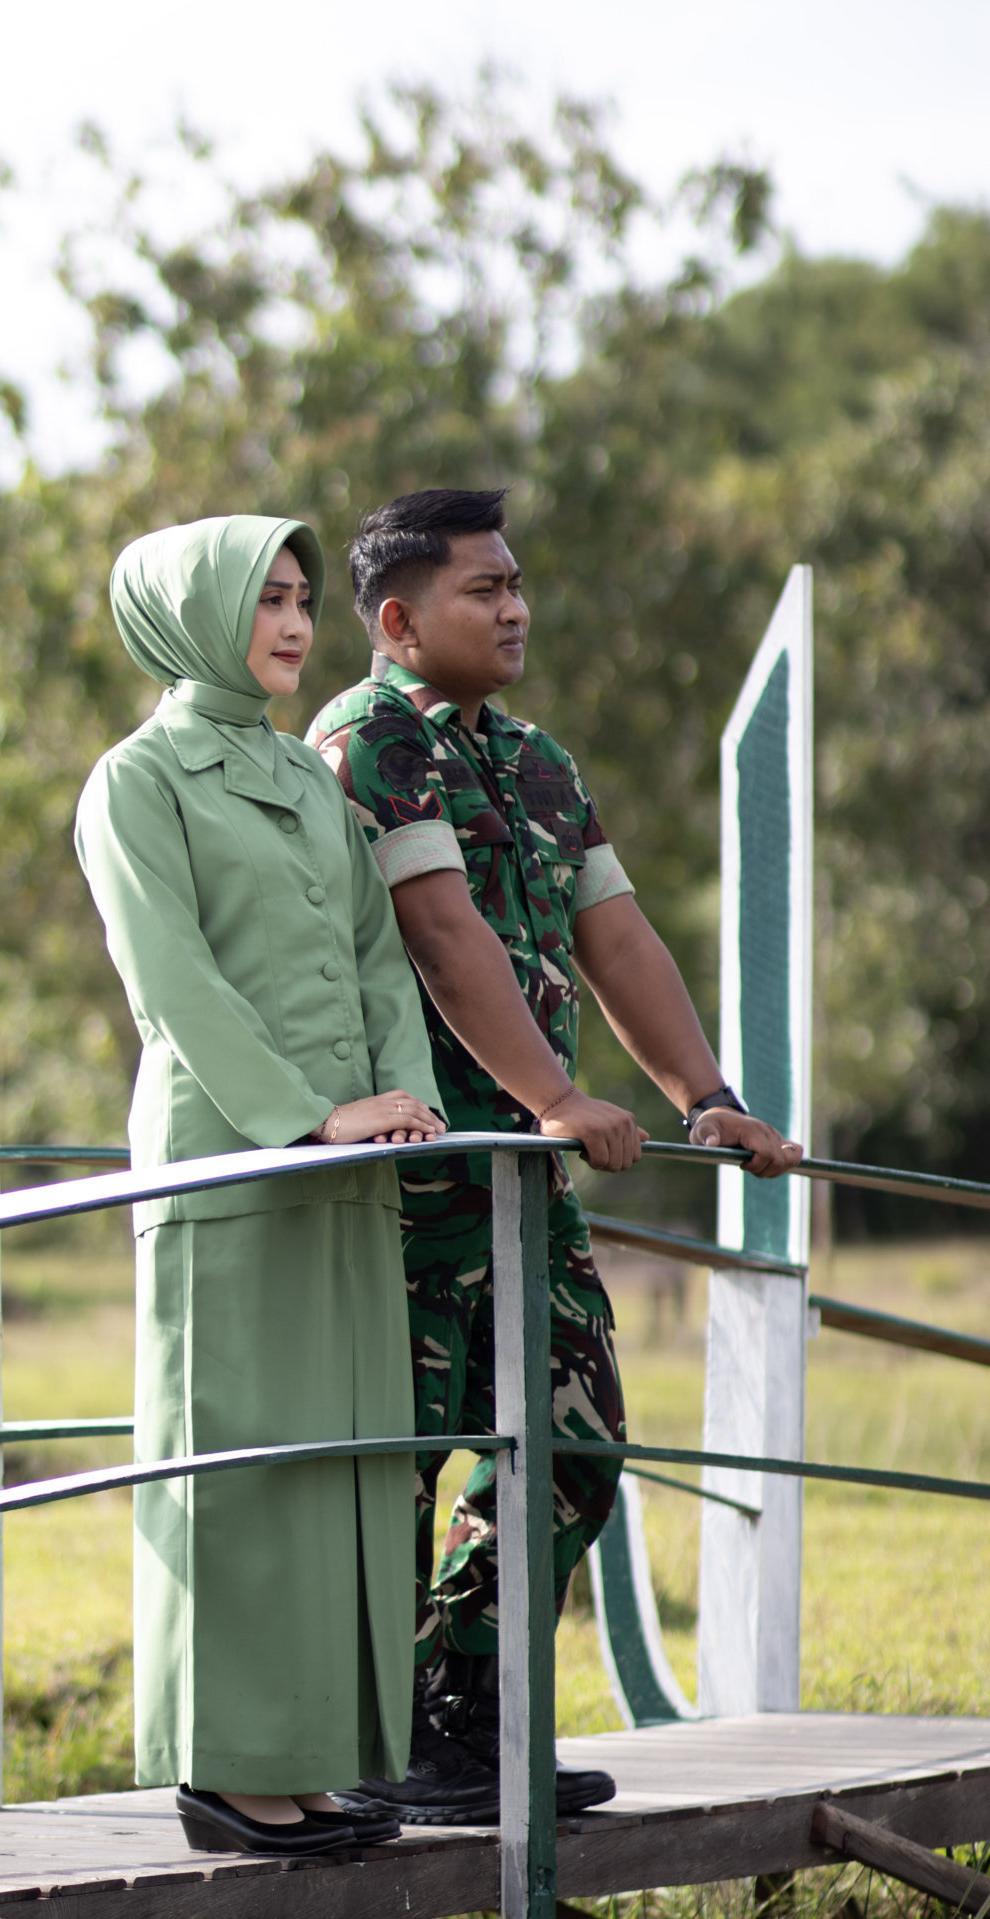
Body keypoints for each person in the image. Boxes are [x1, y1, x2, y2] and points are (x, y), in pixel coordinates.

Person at [308, 487, 804, 1826]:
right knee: (403, 1455)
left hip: (524, 1177)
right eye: (485, 590)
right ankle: (379, 1738)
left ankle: (462, 1717)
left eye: (518, 583)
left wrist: (707, 1097)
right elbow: (438, 930)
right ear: (400, 621)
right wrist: (557, 1095)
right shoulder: (367, 739)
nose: (517, 608)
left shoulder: (536, 762)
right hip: (413, 1170)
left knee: (574, 1439)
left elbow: (618, 938)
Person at [75, 514, 447, 1858]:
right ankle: (225, 1775)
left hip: (350, 1170)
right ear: (191, 618)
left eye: (300, 600)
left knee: (335, 1467)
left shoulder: (307, 777)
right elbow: (171, 982)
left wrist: (407, 1106)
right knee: (234, 1470)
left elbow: (379, 960)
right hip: (232, 1164)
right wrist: (310, 1118)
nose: (294, 625)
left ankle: (307, 1761)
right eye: (265, 602)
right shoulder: (136, 780)